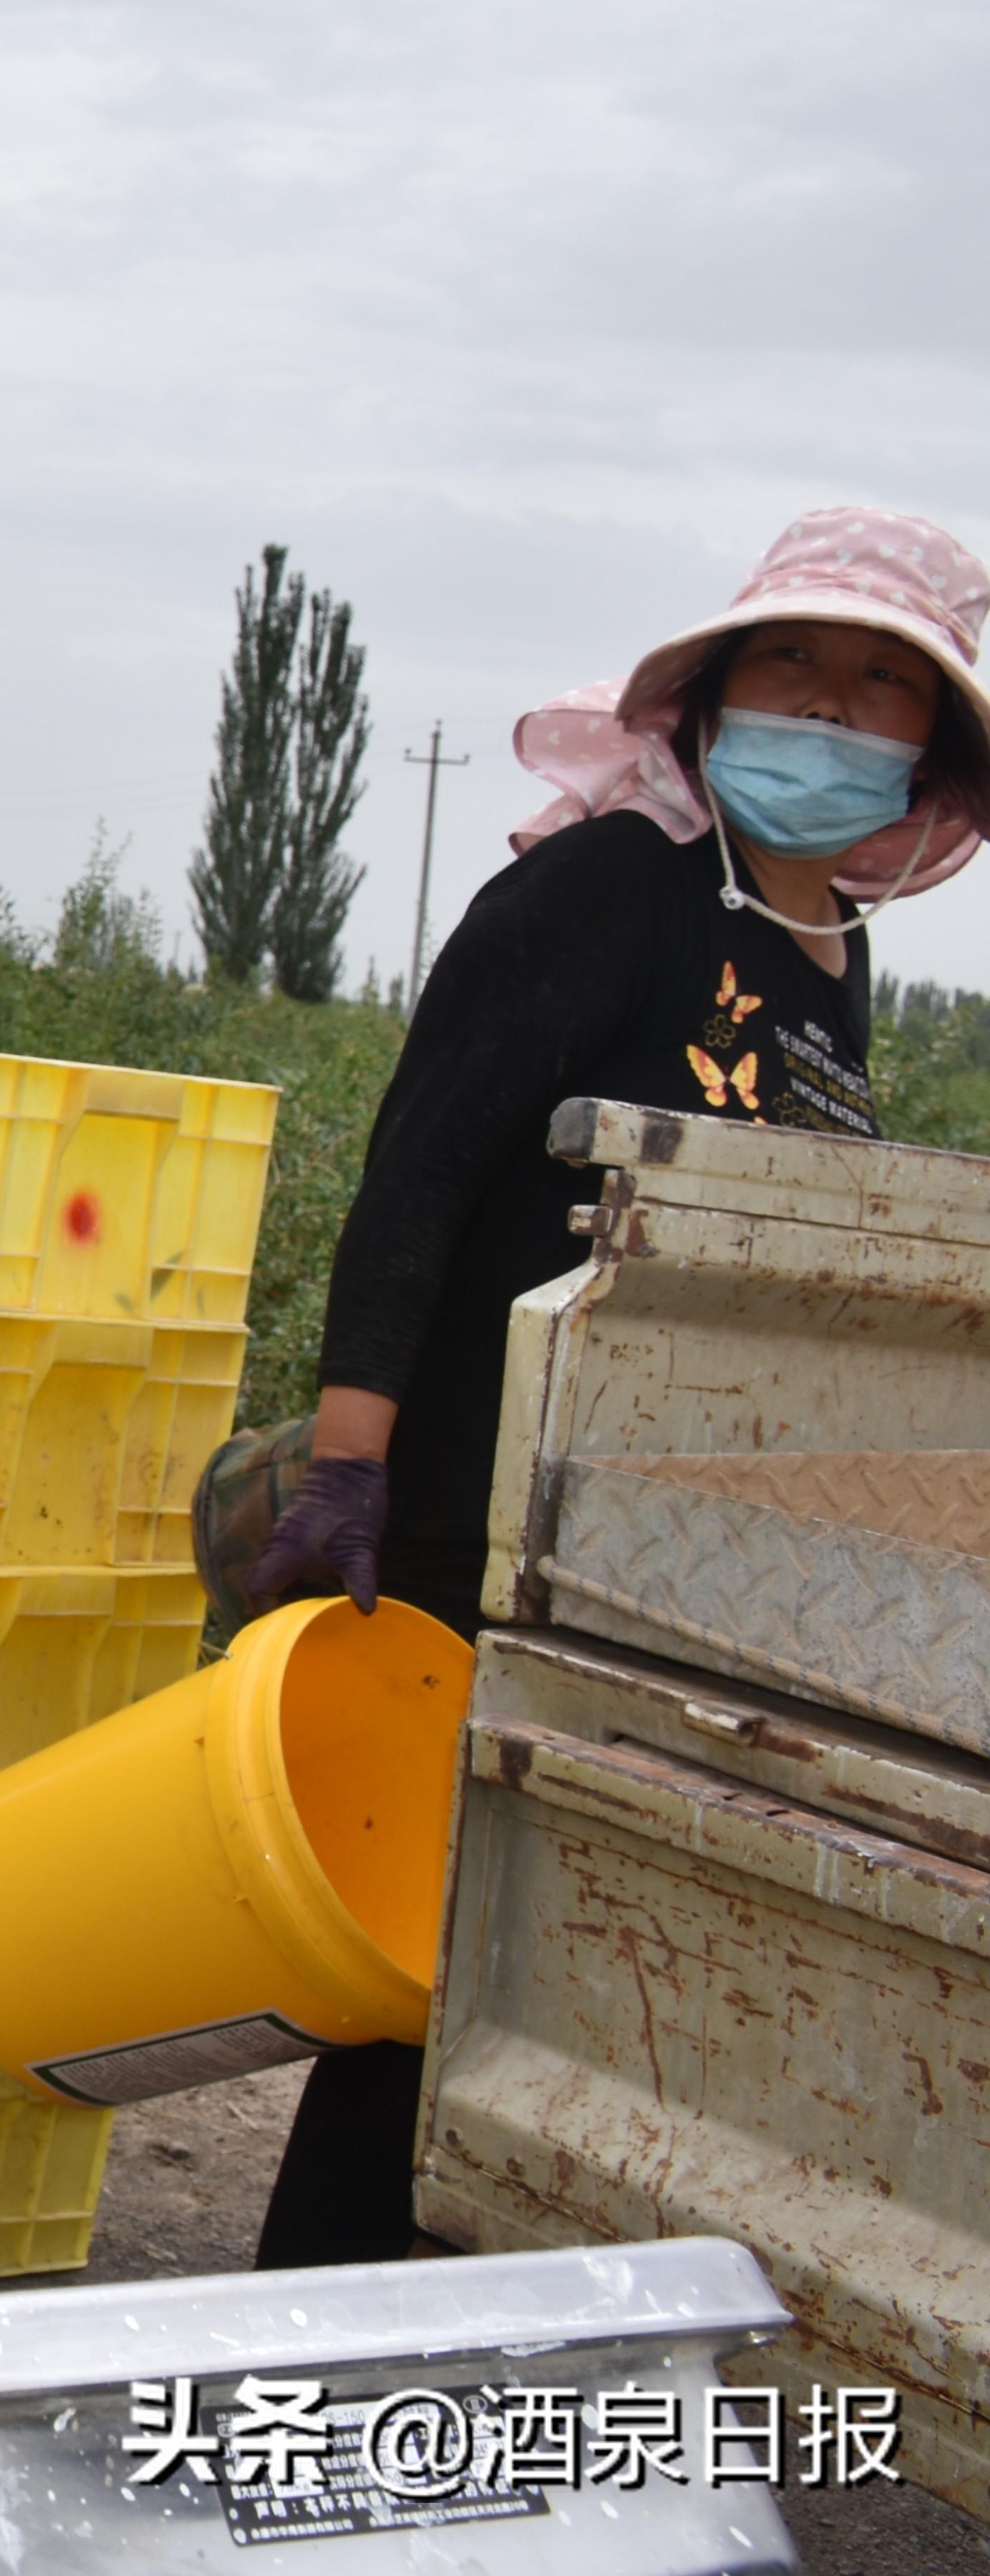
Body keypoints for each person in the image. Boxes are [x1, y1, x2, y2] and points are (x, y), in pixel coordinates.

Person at [238, 504, 990, 2270]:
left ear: (926, 752)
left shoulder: (831, 955)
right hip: (474, 1520)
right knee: (435, 1962)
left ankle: (466, 2355)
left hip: (653, 1552)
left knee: (558, 1979)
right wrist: (350, 1461)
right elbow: (420, 1169)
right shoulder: (605, 886)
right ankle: (314, 2357)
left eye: (880, 684)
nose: (828, 702)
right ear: (716, 689)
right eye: (795, 659)